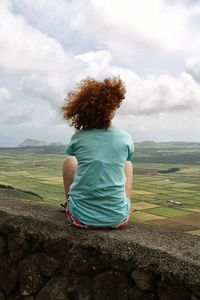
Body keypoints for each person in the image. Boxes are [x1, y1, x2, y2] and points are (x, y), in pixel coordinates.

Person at [61, 76, 134, 229]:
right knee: (127, 164)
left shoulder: (78, 137)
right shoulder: (125, 138)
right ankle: (124, 205)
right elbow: (125, 158)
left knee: (69, 161)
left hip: (80, 218)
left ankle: (69, 202)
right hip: (117, 219)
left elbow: (73, 153)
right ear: (113, 110)